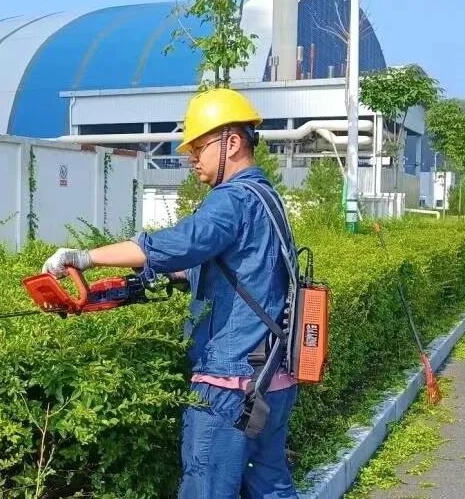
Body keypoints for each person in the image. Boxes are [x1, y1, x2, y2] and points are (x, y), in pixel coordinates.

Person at [41, 88, 299, 498]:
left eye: (198, 147)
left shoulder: (232, 199)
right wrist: (148, 282)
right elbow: (235, 267)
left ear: (232, 142)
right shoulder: (266, 197)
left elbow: (175, 245)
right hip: (273, 378)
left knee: (205, 488)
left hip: (230, 385)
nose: (191, 157)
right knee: (271, 488)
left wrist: (85, 257)